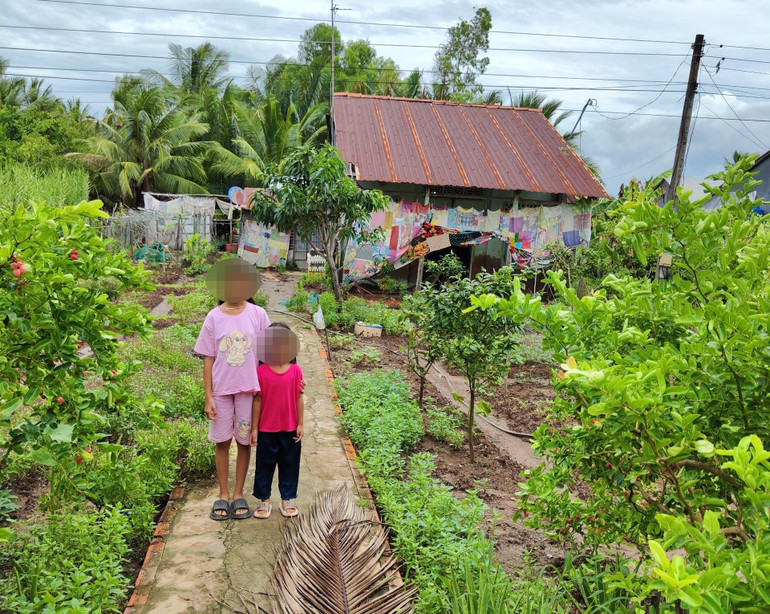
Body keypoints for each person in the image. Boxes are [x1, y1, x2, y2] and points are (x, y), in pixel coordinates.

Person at [194, 258, 268, 521]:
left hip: (249, 392)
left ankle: (238, 493)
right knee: (222, 441)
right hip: (221, 392)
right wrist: (208, 397)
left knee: (244, 440)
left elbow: (269, 353)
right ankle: (223, 494)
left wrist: (292, 378)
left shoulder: (258, 315)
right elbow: (208, 358)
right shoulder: (213, 317)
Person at [250, 323, 304, 519]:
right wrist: (254, 428)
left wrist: (300, 424)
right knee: (264, 464)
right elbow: (258, 399)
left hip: (290, 429)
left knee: (289, 464)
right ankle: (264, 500)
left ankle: (287, 498)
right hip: (266, 429)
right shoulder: (261, 372)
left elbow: (299, 397)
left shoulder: (296, 371)